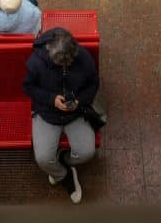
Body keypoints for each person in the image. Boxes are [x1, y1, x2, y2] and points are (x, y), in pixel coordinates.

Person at [23, 27, 99, 204]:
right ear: (49, 51)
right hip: (47, 112)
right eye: (60, 64)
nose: (64, 67)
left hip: (76, 112)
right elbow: (29, 88)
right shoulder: (35, 62)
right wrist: (51, 99)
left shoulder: (84, 58)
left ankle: (63, 160)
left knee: (86, 152)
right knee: (42, 159)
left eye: (68, 64)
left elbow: (93, 84)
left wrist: (79, 101)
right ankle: (64, 176)